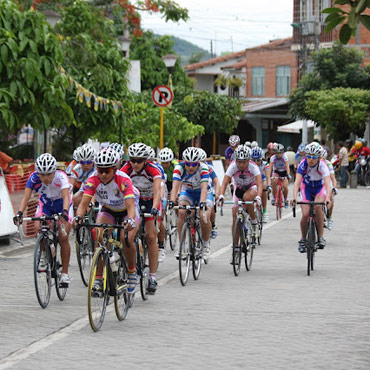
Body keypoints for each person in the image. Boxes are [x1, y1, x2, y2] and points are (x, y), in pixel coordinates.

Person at [74, 148, 139, 294]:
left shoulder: (123, 179)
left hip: (127, 209)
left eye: (107, 170)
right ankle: (98, 278)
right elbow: (83, 204)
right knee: (100, 237)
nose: (103, 174)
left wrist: (130, 221)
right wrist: (78, 217)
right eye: (100, 170)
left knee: (126, 237)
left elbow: (130, 206)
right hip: (108, 209)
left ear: (114, 169)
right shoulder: (93, 179)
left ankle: (132, 271)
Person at [13, 153, 73, 286]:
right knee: (38, 227)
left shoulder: (61, 176)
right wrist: (19, 213)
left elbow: (66, 198)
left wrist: (64, 213)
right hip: (45, 204)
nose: (45, 178)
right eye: (42, 174)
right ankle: (45, 256)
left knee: (63, 236)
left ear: (54, 172)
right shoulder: (33, 178)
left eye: (48, 174)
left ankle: (64, 273)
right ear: (37, 173)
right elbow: (26, 197)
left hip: (61, 205)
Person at [120, 143, 162, 294]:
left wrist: (155, 208)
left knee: (151, 236)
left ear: (145, 160)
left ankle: (152, 276)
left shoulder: (153, 169)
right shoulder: (125, 169)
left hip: (150, 201)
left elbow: (157, 191)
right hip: (134, 201)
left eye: (139, 160)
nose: (135, 164)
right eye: (133, 160)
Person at [169, 147, 213, 261]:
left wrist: (203, 204)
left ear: (198, 163)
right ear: (184, 162)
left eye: (194, 164)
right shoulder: (179, 168)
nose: (191, 167)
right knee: (182, 212)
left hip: (203, 192)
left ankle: (206, 244)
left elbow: (204, 189)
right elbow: (175, 187)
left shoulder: (204, 168)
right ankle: (182, 244)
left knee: (205, 216)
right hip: (188, 192)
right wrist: (172, 201)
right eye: (188, 164)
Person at [291, 142, 332, 253]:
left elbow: (328, 184)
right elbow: (297, 183)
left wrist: (328, 198)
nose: (311, 159)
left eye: (314, 157)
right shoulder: (303, 164)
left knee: (318, 207)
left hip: (320, 187)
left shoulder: (322, 165)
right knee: (305, 214)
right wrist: (294, 197)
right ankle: (303, 239)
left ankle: (320, 237)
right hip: (307, 188)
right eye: (308, 156)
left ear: (318, 158)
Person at [218, 145, 262, 244]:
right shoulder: (233, 166)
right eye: (239, 161)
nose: (241, 164)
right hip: (239, 189)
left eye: (244, 162)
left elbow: (259, 183)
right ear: (236, 160)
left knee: (247, 197)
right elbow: (225, 182)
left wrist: (258, 197)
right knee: (235, 216)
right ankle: (235, 247)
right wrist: (221, 195)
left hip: (251, 187)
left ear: (248, 160)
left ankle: (254, 221)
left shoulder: (253, 166)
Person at [199, 148, 220, 239]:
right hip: (196, 190)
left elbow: (216, 182)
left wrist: (217, 193)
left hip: (208, 189)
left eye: (202, 161)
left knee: (210, 210)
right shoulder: (191, 167)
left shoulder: (209, 167)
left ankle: (213, 225)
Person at [251, 146, 270, 223]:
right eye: (253, 160)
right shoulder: (249, 164)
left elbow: (268, 176)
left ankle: (264, 211)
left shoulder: (265, 164)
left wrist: (269, 185)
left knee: (264, 187)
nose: (255, 162)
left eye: (258, 160)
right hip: (252, 180)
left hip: (262, 180)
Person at [268, 143, 290, 208]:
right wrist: (269, 176)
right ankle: (274, 197)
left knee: (285, 186)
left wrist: (288, 174)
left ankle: (285, 199)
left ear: (282, 152)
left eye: (279, 153)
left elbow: (287, 166)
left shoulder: (285, 157)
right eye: (276, 153)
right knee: (274, 182)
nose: (278, 154)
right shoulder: (273, 158)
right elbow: (270, 168)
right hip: (276, 172)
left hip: (284, 172)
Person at [322, 149, 337, 230]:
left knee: (330, 197)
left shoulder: (328, 163)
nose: (321, 160)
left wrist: (334, 187)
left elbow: (333, 178)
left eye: (323, 158)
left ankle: (329, 217)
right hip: (318, 182)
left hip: (327, 182)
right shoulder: (314, 162)